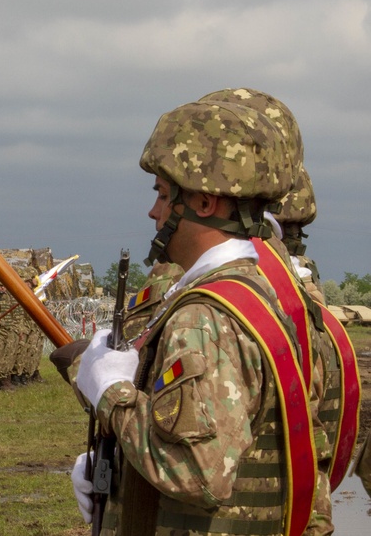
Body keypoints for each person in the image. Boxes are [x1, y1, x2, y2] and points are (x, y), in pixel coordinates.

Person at [72, 100, 315, 535]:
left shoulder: (204, 316)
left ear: (204, 203)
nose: (154, 212)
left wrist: (112, 393)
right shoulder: (254, 293)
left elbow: (199, 473)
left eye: (164, 195)